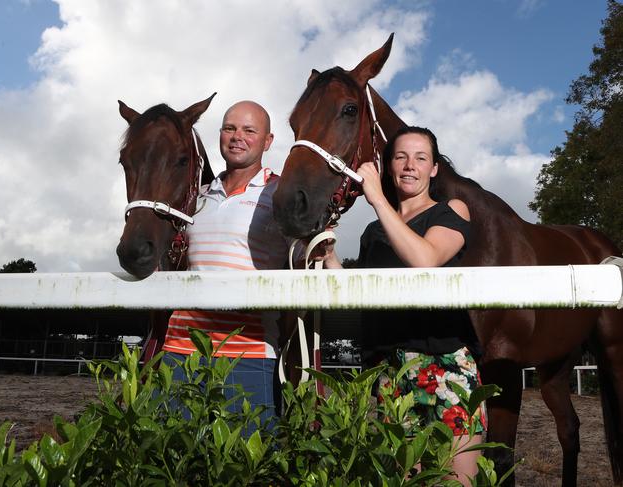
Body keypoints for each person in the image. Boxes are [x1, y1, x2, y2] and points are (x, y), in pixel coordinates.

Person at [321, 126, 485, 486]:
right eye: (400, 157)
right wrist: (331, 257)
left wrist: (378, 199)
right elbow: (357, 300)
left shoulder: (450, 210)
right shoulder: (372, 233)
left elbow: (425, 259)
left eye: (420, 158)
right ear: (389, 166)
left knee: (457, 480)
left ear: (434, 168)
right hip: (389, 372)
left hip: (444, 368)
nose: (410, 165)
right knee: (403, 480)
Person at [162, 100, 289, 426]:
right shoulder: (196, 196)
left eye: (249, 130)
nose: (237, 137)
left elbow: (303, 257)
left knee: (247, 468)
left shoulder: (281, 193)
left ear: (268, 141)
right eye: (230, 128)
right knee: (170, 462)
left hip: (248, 353)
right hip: (179, 351)